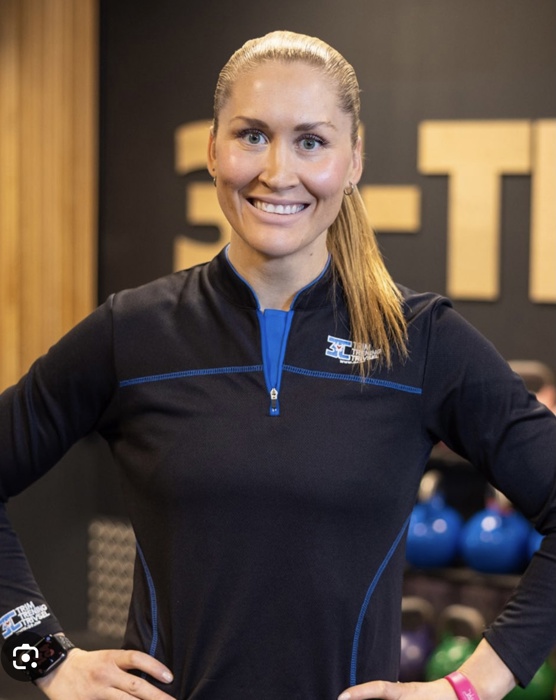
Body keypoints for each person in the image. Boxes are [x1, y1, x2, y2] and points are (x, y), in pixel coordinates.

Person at [1, 29, 555, 700]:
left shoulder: (419, 340)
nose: (277, 171)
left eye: (311, 141)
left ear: (353, 160)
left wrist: (471, 687)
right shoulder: (133, 333)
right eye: (252, 135)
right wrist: (44, 657)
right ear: (213, 150)